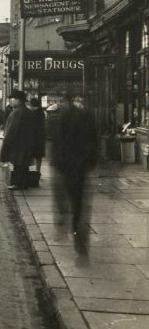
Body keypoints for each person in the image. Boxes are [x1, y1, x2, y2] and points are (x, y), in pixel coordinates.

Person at [50, 91, 98, 256]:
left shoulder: (61, 117)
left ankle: (62, 224)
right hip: (80, 167)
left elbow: (57, 142)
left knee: (62, 199)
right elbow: (94, 141)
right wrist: (90, 162)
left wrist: (56, 163)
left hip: (65, 167)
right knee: (78, 205)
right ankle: (80, 242)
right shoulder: (88, 116)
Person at [0, 89, 35, 190]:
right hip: (26, 142)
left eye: (13, 99)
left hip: (18, 143)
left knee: (18, 164)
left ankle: (18, 184)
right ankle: (24, 184)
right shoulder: (26, 111)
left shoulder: (17, 112)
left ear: (19, 100)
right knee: (23, 164)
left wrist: (6, 140)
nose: (11, 100)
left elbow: (12, 129)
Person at [29, 95, 46, 176]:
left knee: (35, 156)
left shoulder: (35, 113)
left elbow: (33, 126)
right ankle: (37, 172)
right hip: (40, 138)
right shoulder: (41, 112)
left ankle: (36, 173)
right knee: (38, 156)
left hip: (36, 138)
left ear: (32, 105)